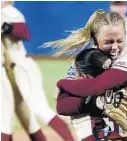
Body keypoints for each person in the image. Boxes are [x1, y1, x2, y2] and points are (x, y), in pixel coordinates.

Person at [44, 9, 127, 141]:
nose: (115, 47)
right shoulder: (83, 62)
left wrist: (63, 84)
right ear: (95, 39)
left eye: (120, 41)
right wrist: (98, 103)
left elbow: (97, 86)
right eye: (109, 42)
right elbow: (63, 105)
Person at [1, 1, 74, 141]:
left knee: (39, 109)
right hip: (7, 74)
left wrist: (8, 27)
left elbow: (25, 32)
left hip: (22, 68)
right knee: (20, 119)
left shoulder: (10, 12)